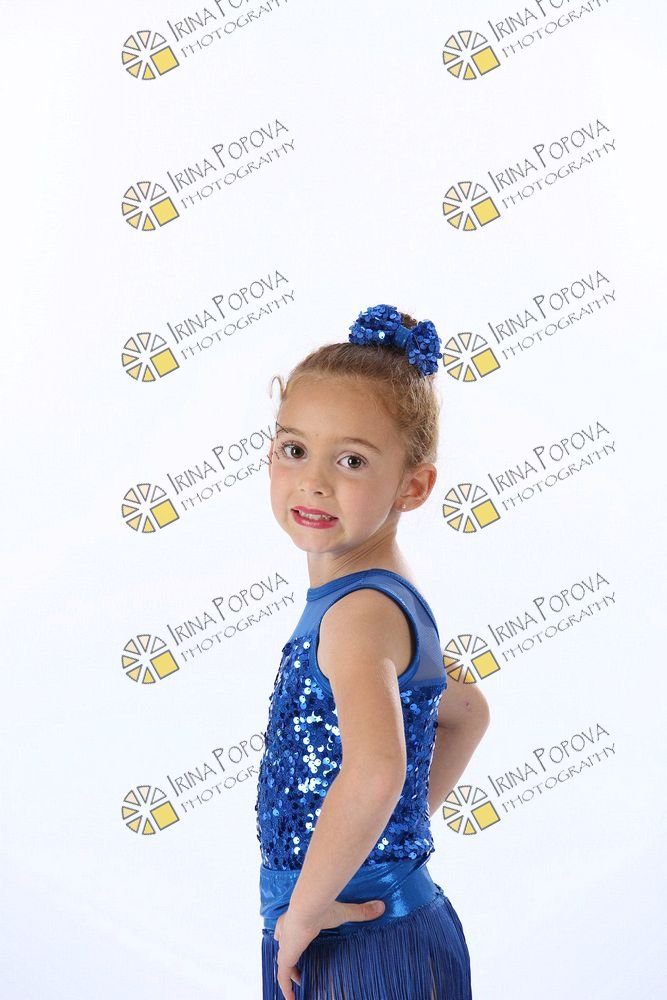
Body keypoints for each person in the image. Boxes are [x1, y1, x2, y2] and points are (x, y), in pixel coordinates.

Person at [255, 303, 491, 999]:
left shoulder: (358, 613)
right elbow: (466, 711)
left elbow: (376, 770)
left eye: (351, 460)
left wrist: (304, 914)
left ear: (412, 486)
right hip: (381, 921)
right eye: (294, 449)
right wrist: (383, 844)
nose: (314, 481)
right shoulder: (383, 594)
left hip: (354, 944)